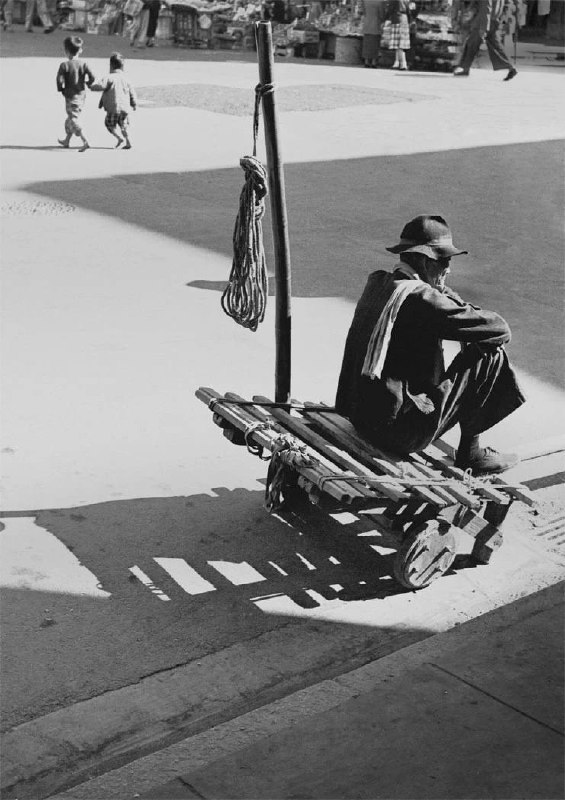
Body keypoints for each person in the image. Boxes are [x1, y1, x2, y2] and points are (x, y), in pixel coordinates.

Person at [335, 215, 525, 475]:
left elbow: (453, 311)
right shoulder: (422, 299)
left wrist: (441, 291)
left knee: (474, 339)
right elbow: (499, 328)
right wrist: (442, 294)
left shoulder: (379, 282)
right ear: (425, 261)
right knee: (490, 353)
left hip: (362, 419)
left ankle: (468, 448)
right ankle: (471, 453)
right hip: (399, 434)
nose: (448, 269)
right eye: (444, 261)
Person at [454, 0, 517, 80]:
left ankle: (465, 68)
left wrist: (484, 28)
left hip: (483, 22)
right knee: (495, 46)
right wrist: (501, 20)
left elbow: (486, 9)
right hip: (493, 20)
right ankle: (510, 67)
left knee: (471, 45)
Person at [90, 52, 137, 149]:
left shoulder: (108, 77)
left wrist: (91, 86)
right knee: (124, 125)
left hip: (113, 108)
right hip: (124, 109)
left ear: (110, 66)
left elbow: (101, 87)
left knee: (109, 124)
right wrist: (134, 103)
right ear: (123, 67)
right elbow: (132, 93)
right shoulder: (126, 79)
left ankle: (119, 137)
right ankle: (128, 141)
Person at [56, 36, 95, 152]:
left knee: (73, 119)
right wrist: (88, 83)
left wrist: (61, 89)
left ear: (66, 51)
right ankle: (67, 140)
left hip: (70, 96)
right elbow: (92, 77)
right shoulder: (84, 64)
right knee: (69, 120)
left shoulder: (65, 65)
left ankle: (85, 140)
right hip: (81, 96)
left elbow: (59, 80)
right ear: (80, 50)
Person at [382, 0, 413, 70]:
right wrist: (410, 22)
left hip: (397, 20)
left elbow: (389, 10)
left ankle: (402, 64)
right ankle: (399, 63)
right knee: (402, 44)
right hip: (405, 20)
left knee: (398, 45)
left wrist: (384, 19)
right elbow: (409, 12)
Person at [361, 0, 387, 68]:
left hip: (367, 24)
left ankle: (366, 61)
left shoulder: (365, 1)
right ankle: (373, 62)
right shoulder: (380, 2)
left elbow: (364, 13)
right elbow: (382, 15)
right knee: (375, 44)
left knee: (367, 44)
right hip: (376, 25)